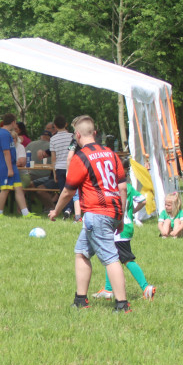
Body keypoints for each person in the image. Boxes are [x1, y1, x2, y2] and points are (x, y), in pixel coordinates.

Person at [47, 116, 131, 312]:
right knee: (82, 252)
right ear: (94, 133)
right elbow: (123, 188)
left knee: (110, 258)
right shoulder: (111, 154)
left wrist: (56, 211)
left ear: (77, 135)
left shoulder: (81, 157)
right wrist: (120, 216)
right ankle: (81, 299)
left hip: (97, 212)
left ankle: (122, 304)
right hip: (113, 210)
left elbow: (68, 190)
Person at [93, 183, 155, 300]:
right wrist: (132, 213)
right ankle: (108, 289)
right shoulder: (128, 186)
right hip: (127, 226)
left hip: (118, 229)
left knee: (127, 259)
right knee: (110, 257)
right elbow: (142, 200)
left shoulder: (111, 187)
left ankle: (146, 287)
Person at [0, 114, 34, 218]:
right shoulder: (4, 134)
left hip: (12, 165)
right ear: (13, 122)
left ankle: (26, 213)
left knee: (18, 188)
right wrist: (9, 169)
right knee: (5, 189)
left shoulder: (7, 133)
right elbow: (6, 153)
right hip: (5, 166)